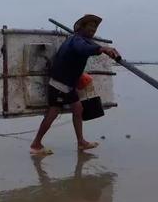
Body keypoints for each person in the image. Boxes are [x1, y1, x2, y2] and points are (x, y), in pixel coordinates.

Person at [30, 14, 120, 155]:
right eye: (90, 28)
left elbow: (87, 47)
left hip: (68, 84)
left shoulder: (79, 40)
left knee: (78, 109)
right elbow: (83, 49)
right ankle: (36, 144)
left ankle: (81, 142)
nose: (93, 31)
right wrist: (102, 49)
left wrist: (101, 48)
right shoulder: (76, 41)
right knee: (53, 113)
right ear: (81, 28)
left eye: (95, 29)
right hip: (60, 84)